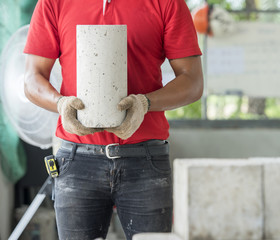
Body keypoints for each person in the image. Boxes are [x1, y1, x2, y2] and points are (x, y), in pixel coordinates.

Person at [23, 0, 203, 239]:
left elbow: (193, 81)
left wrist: (145, 103)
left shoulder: (166, 2)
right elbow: (32, 77)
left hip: (145, 160)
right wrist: (60, 103)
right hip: (77, 161)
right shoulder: (54, 2)